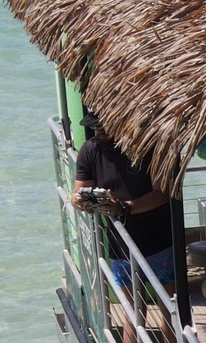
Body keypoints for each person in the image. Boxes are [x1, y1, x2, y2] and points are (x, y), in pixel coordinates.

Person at [73, 114, 175, 292]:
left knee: (167, 302)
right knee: (128, 306)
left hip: (158, 238)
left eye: (105, 126)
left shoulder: (149, 146)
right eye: (96, 127)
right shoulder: (90, 150)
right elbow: (78, 192)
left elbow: (162, 193)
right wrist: (78, 200)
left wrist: (124, 207)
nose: (100, 130)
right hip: (119, 242)